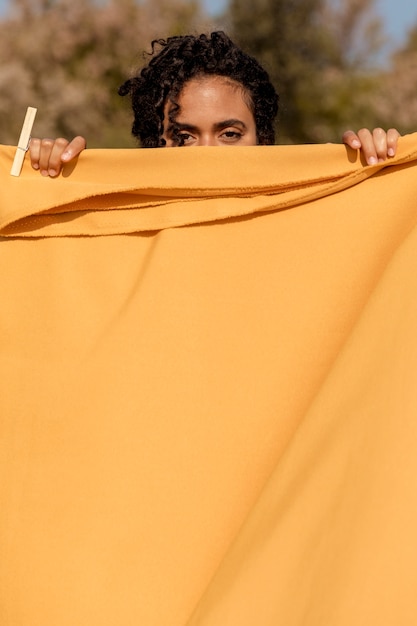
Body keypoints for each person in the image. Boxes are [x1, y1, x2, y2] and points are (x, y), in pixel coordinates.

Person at [28, 31, 400, 177]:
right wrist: (49, 183)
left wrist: (377, 176)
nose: (208, 152)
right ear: (154, 145)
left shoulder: (312, 221)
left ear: (263, 139)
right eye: (185, 136)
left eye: (230, 133)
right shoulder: (119, 233)